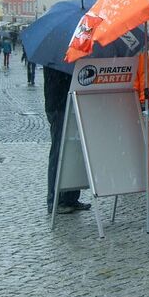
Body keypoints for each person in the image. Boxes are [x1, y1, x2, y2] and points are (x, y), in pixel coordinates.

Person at [44, 65, 91, 214]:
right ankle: (55, 201)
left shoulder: (71, 53)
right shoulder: (55, 56)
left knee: (75, 152)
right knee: (59, 153)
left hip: (72, 103)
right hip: (59, 106)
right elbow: (58, 82)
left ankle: (70, 197)